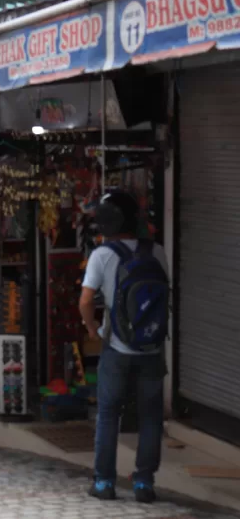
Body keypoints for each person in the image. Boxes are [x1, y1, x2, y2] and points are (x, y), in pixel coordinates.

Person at [80, 191, 169, 504]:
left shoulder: (103, 255)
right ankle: (144, 483)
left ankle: (104, 482)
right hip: (153, 349)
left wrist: (93, 328)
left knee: (108, 413)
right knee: (150, 416)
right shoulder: (156, 252)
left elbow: (87, 300)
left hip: (116, 348)